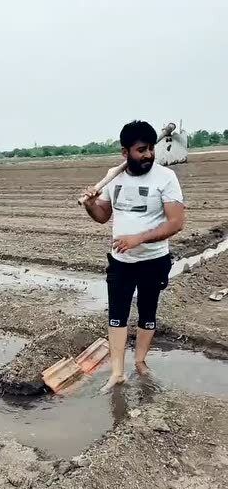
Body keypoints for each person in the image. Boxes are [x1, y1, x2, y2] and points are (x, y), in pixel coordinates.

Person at [82, 120, 184, 391]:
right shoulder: (113, 176)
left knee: (147, 314)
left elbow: (176, 222)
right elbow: (103, 216)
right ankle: (117, 372)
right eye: (142, 150)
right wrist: (91, 205)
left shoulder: (165, 177)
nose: (149, 154)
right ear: (125, 152)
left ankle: (140, 362)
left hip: (154, 260)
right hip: (121, 261)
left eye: (151, 148)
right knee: (117, 315)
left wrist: (138, 238)